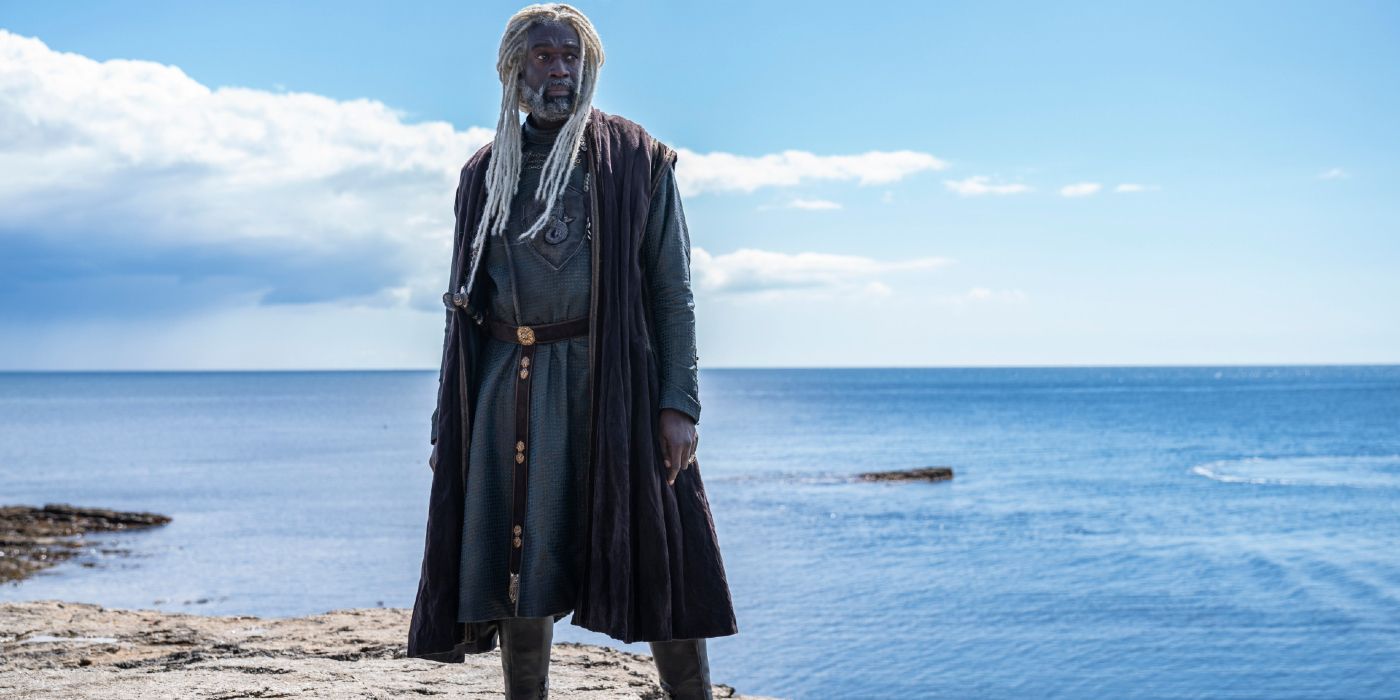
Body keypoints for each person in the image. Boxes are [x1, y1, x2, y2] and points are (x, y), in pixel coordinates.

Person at [406, 4, 738, 698]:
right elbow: (463, 307)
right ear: (512, 69)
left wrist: (679, 403)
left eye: (571, 56)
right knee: (519, 565)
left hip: (615, 385)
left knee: (662, 557)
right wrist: (451, 420)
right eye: (543, 56)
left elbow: (673, 292)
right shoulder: (484, 174)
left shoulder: (636, 158)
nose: (559, 70)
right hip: (508, 391)